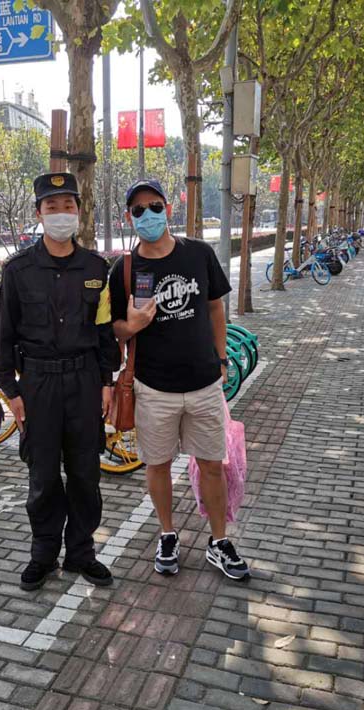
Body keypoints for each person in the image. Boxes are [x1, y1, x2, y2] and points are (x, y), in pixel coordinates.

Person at [108, 179, 251, 582]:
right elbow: (114, 329)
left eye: (154, 206)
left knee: (212, 465)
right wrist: (131, 325)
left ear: (168, 209)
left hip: (204, 385)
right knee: (157, 465)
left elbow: (215, 309)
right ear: (129, 217)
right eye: (138, 210)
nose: (148, 215)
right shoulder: (125, 269)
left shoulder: (198, 254)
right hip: (152, 388)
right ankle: (167, 534)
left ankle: (219, 541)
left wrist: (221, 359)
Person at [0, 172, 120, 592]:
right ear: (39, 213)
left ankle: (81, 552)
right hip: (38, 385)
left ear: (79, 212)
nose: (61, 214)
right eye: (52, 207)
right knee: (43, 477)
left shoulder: (96, 268)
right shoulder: (18, 270)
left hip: (84, 382)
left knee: (85, 475)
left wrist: (107, 381)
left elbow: (103, 330)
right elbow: (3, 335)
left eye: (68, 206)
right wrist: (12, 392)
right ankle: (43, 554)